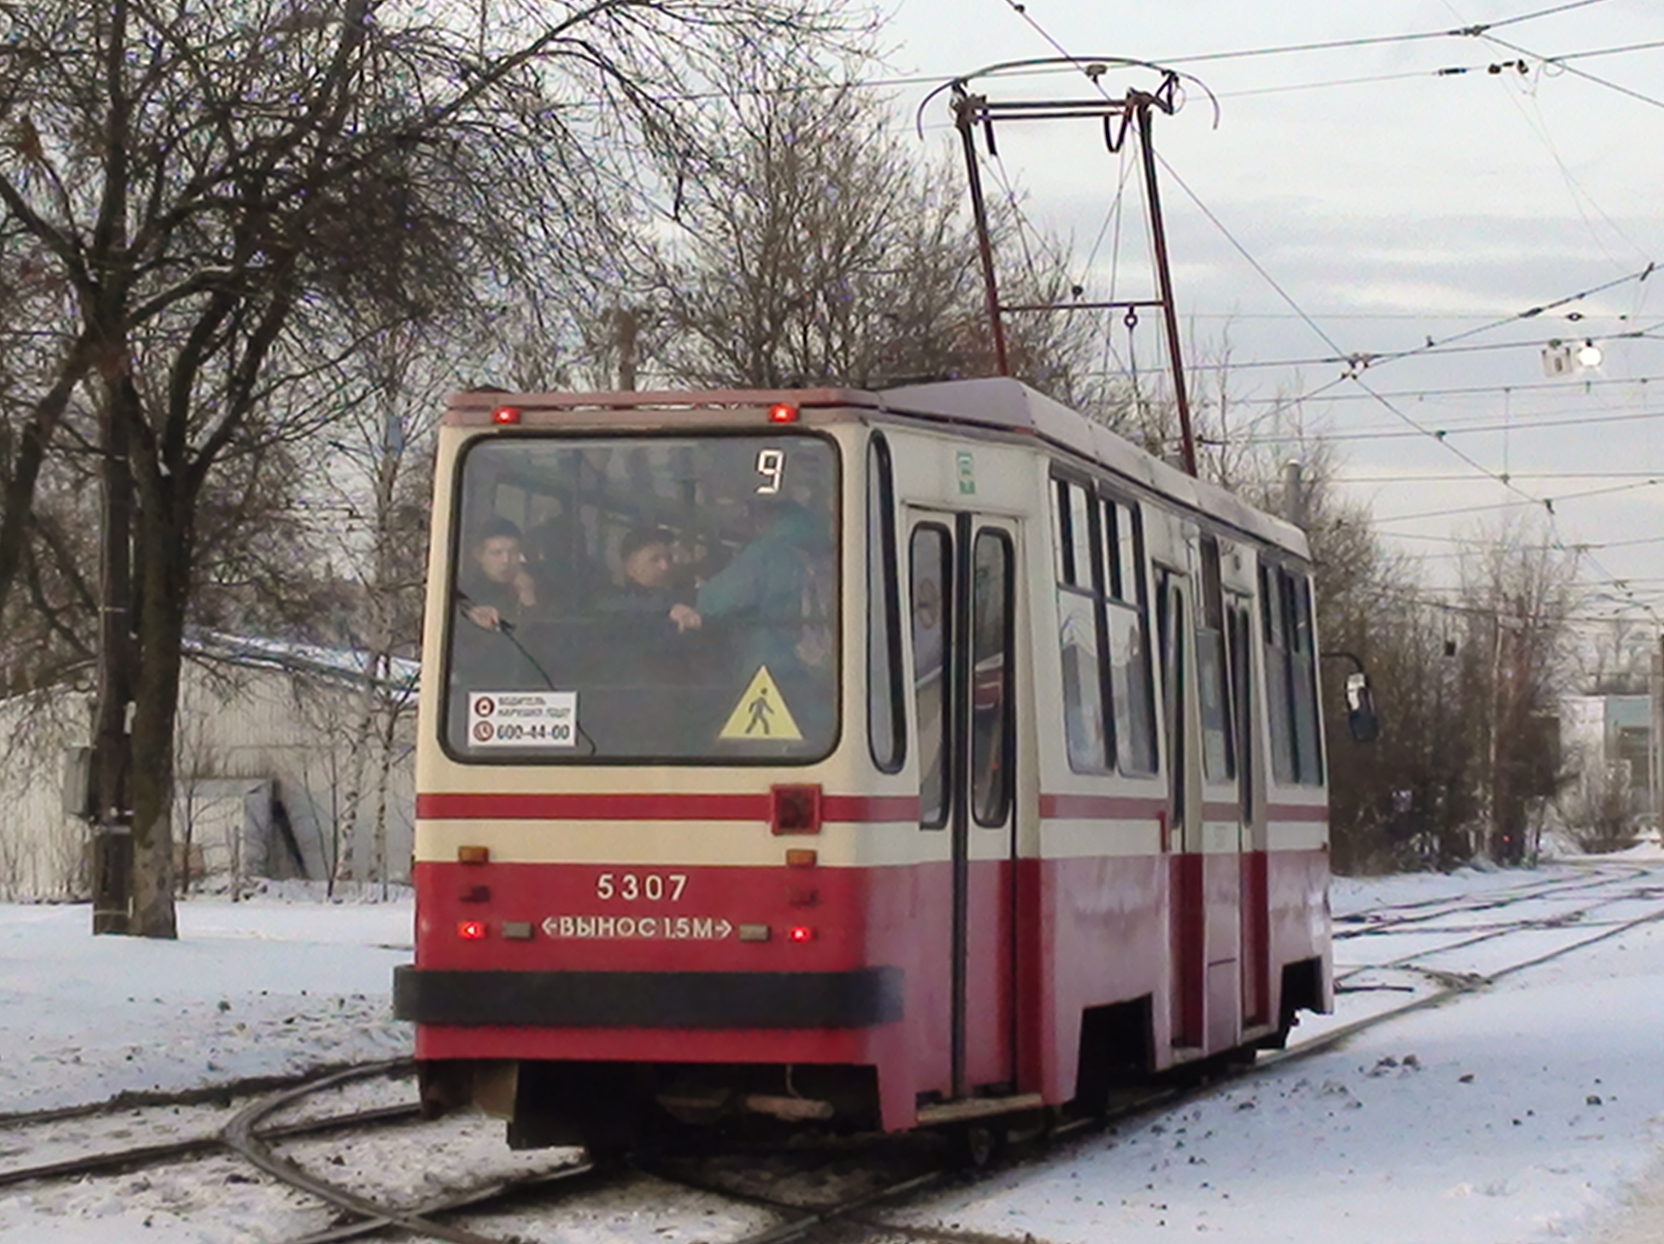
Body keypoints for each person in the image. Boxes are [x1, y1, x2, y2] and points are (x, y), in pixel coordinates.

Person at [458, 517, 537, 631]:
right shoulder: (467, 594)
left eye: (513, 552)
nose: (506, 560)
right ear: (479, 555)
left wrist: (529, 600)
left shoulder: (540, 587)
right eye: (497, 553)